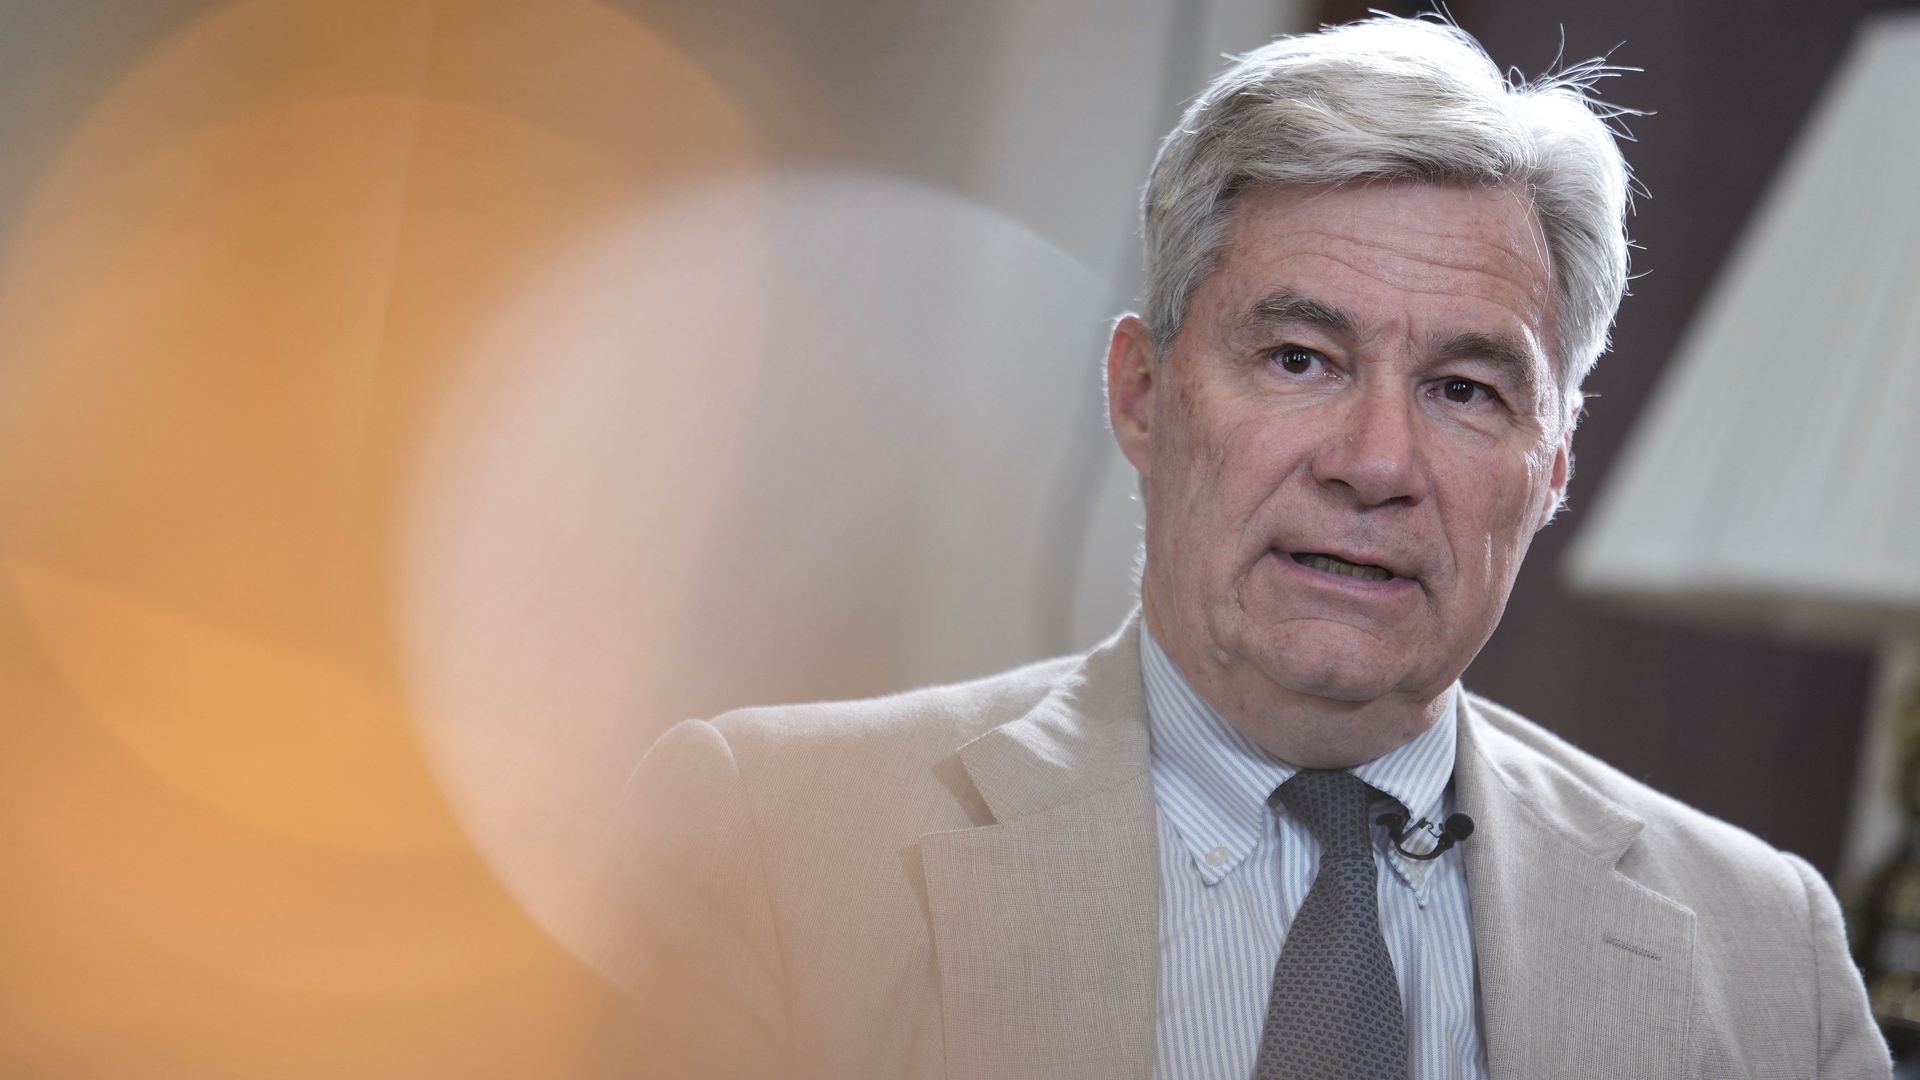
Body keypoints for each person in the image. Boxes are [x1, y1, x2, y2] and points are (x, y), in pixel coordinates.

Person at [619, 15, 1889, 1079]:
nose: (1376, 462)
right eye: (1299, 358)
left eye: (1464, 389)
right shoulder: (769, 849)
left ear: (1552, 465)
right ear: (1143, 393)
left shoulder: (1764, 954)